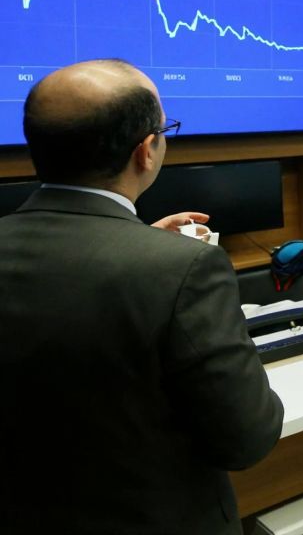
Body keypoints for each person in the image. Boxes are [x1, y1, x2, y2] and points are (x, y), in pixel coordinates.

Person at [0, 60, 283, 534]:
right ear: (146, 151)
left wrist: (139, 245)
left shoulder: (161, 266)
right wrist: (157, 261)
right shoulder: (183, 269)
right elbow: (247, 439)